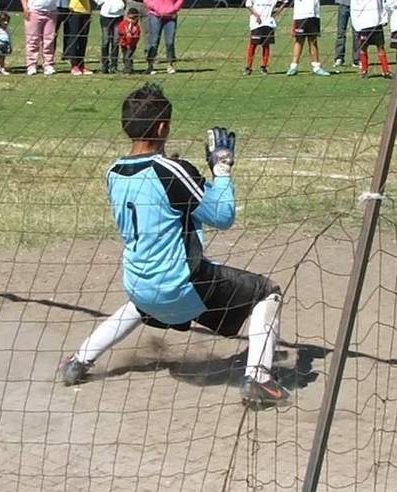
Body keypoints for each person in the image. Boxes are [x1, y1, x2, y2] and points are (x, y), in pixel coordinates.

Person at [59, 83, 291, 410]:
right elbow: (222, 217)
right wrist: (221, 168)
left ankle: (79, 361)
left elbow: (161, 205)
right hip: (180, 290)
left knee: (143, 304)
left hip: (139, 284)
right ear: (163, 127)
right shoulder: (171, 171)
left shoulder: (114, 172)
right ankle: (258, 378)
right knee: (267, 292)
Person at [287, 0, 331, 76]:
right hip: (300, 16)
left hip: (314, 15)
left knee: (313, 41)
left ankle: (316, 67)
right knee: (299, 41)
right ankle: (293, 66)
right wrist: (294, 23)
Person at [245, 0, 289, 74]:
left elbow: (285, 2)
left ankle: (264, 67)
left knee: (266, 46)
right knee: (252, 45)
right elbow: (248, 5)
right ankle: (248, 67)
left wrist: (277, 13)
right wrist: (256, 15)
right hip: (256, 24)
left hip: (268, 24)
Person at [352, 0, 392, 78]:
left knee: (380, 47)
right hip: (363, 24)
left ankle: (386, 71)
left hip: (377, 23)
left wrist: (384, 17)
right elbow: (353, 8)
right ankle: (364, 71)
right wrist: (356, 24)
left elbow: (382, 4)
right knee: (363, 47)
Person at [144, 0, 182, 75]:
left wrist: (174, 8)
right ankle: (150, 65)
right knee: (154, 42)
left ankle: (170, 65)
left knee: (170, 42)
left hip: (171, 16)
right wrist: (153, 6)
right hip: (155, 15)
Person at [22, 0, 58, 75]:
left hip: (51, 11)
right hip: (34, 10)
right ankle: (31, 65)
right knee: (32, 39)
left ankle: (48, 64)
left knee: (49, 40)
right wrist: (25, 8)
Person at [64, 0, 93, 75]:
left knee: (83, 40)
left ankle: (81, 65)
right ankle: (74, 65)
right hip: (75, 11)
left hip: (86, 11)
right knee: (74, 38)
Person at [96, 0, 124, 73]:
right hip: (105, 16)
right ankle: (104, 66)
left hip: (119, 15)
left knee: (116, 41)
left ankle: (114, 66)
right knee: (106, 41)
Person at [333, 0, 360, 67]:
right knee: (341, 33)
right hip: (343, 4)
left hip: (357, 6)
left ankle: (356, 59)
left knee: (357, 32)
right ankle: (339, 58)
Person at [118, 7, 140, 73]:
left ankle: (128, 69)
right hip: (124, 44)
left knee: (128, 56)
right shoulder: (123, 23)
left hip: (132, 45)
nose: (131, 20)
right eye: (130, 18)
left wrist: (132, 36)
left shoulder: (136, 27)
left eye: (133, 19)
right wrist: (126, 33)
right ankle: (127, 67)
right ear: (127, 17)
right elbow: (120, 30)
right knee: (125, 57)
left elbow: (137, 36)